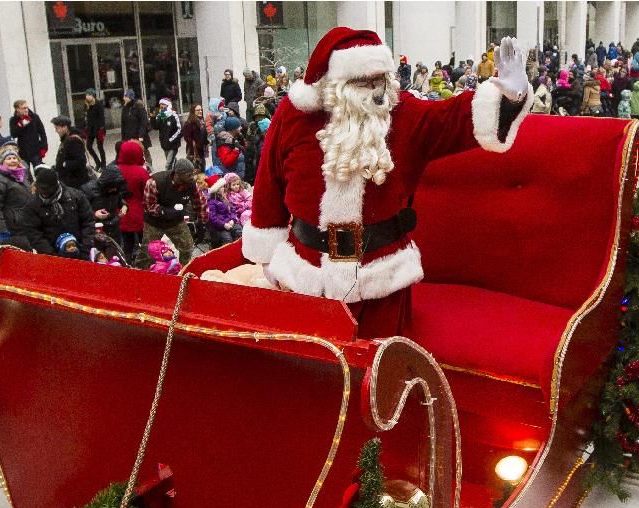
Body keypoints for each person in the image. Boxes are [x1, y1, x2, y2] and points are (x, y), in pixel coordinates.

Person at [240, 28, 532, 337]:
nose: (376, 91)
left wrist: (509, 97)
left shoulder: (402, 113)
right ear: (333, 85)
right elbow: (268, 184)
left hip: (381, 280)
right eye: (364, 83)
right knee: (313, 372)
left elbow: (454, 118)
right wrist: (268, 257)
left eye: (380, 80)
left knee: (381, 375)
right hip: (307, 276)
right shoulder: (294, 115)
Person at [141, 157, 208, 266]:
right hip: (154, 222)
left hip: (176, 221)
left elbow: (200, 202)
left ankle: (183, 270)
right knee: (147, 253)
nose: (192, 177)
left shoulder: (191, 184)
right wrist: (165, 212)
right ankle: (142, 273)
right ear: (178, 174)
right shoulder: (155, 181)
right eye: (188, 175)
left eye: (192, 174)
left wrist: (202, 223)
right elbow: (148, 205)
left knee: (187, 247)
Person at [17, 167, 94, 259]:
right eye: (41, 188)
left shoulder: (76, 196)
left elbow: (88, 222)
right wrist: (51, 254)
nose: (44, 192)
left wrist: (85, 249)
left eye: (47, 189)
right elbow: (33, 233)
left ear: (56, 185)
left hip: (80, 250)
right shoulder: (32, 205)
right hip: (52, 255)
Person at [0, 142, 33, 248]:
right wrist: (2, 230)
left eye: (15, 158)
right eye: (8, 158)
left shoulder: (21, 178)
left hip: (24, 228)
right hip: (10, 230)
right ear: (1, 162)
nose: (13, 160)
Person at [81, 163, 129, 251]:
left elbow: (120, 200)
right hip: (97, 231)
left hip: (114, 229)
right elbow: (81, 212)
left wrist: (124, 206)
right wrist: (95, 215)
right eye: (112, 187)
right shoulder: (89, 190)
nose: (114, 189)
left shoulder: (115, 190)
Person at [115, 140, 149, 262]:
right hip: (139, 213)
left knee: (126, 245)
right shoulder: (141, 172)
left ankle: (127, 265)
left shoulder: (115, 170)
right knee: (145, 244)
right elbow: (148, 192)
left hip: (120, 212)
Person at [51, 115, 90, 189]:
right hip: (70, 179)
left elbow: (81, 161)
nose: (55, 131)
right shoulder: (67, 138)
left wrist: (64, 164)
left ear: (65, 127)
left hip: (74, 181)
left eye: (57, 128)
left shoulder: (73, 140)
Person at [9, 99, 48, 167]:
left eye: (27, 107)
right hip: (23, 152)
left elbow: (42, 133)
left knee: (39, 171)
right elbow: (13, 134)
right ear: (17, 109)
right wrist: (21, 124)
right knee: (25, 174)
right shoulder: (13, 120)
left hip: (36, 151)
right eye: (24, 108)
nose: (26, 109)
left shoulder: (34, 117)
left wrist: (44, 147)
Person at [205, 174, 241, 246]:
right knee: (227, 239)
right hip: (221, 227)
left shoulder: (224, 199)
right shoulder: (211, 202)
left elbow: (232, 210)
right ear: (216, 190)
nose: (223, 189)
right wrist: (224, 224)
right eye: (221, 187)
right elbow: (213, 218)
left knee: (239, 231)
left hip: (230, 223)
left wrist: (232, 220)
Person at [120, 89, 152, 166]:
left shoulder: (139, 107)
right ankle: (136, 166)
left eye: (125, 96)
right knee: (132, 152)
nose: (124, 98)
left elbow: (143, 122)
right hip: (129, 136)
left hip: (139, 135)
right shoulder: (125, 108)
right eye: (124, 96)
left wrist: (141, 135)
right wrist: (123, 137)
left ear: (130, 97)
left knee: (144, 150)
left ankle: (149, 166)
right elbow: (123, 124)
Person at [154, 98, 183, 171]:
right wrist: (152, 118)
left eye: (163, 104)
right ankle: (178, 171)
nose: (161, 106)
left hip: (173, 145)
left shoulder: (174, 115)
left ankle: (169, 179)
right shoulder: (161, 115)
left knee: (168, 165)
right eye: (160, 104)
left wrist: (171, 140)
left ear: (168, 105)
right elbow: (156, 127)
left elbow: (179, 130)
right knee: (172, 162)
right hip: (164, 144)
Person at [83, 89, 107, 170]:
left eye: (88, 95)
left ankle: (103, 164)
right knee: (89, 146)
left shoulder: (98, 104)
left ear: (92, 96)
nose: (87, 96)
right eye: (86, 95)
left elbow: (102, 118)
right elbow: (86, 118)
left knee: (100, 147)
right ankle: (98, 163)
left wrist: (102, 130)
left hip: (98, 129)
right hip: (90, 129)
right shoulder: (86, 105)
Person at [182, 103, 208, 169]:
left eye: (201, 110)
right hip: (194, 150)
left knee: (202, 168)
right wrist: (192, 151)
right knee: (195, 169)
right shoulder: (189, 123)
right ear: (193, 111)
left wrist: (206, 142)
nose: (200, 111)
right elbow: (187, 138)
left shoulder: (201, 121)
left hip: (201, 149)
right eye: (197, 110)